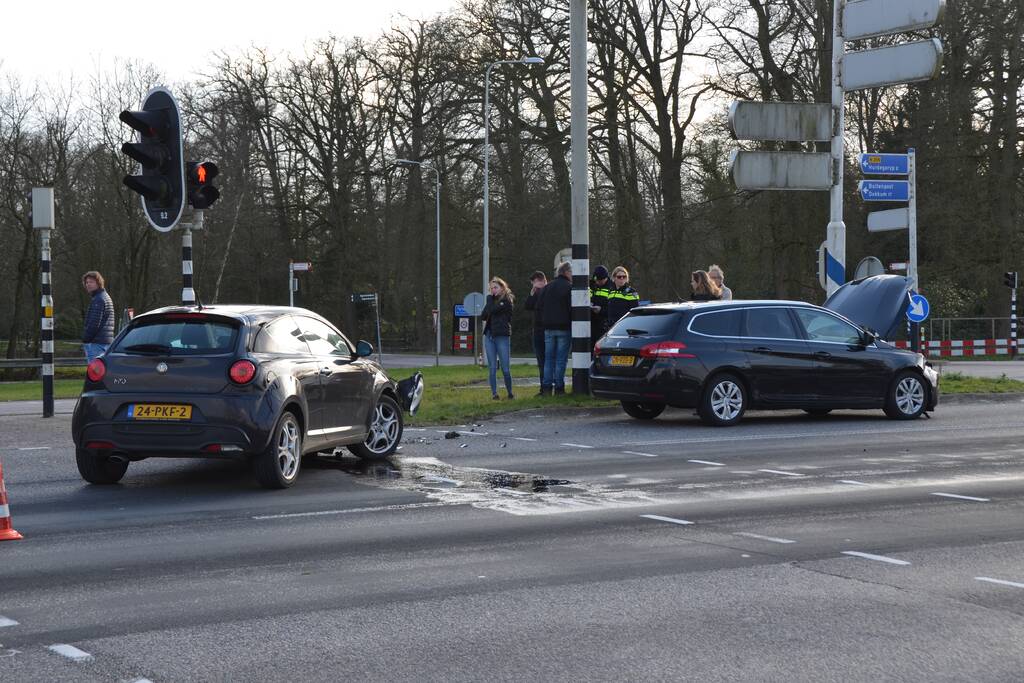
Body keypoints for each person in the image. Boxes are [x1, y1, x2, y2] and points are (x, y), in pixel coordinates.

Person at [535, 261, 573, 396]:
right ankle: (559, 388)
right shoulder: (569, 287)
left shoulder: (547, 287)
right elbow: (572, 308)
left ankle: (546, 388)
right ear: (567, 272)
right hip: (564, 327)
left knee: (548, 359)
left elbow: (538, 307)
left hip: (548, 328)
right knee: (561, 360)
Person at [481, 277, 515, 400]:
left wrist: (489, 300)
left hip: (502, 336)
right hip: (489, 336)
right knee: (492, 368)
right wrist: (489, 301)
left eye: (495, 287)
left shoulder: (506, 300)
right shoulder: (491, 300)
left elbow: (493, 310)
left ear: (502, 287)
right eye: (491, 288)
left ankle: (510, 392)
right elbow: (483, 316)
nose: (493, 290)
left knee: (505, 368)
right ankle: (494, 394)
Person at [82, 270, 115, 362]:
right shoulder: (105, 296)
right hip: (105, 342)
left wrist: (86, 339)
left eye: (91, 282)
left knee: (95, 370)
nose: (88, 284)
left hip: (96, 343)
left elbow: (94, 323)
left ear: (99, 283)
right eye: (87, 282)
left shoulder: (98, 299)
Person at [523, 270, 548, 387]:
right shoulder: (536, 293)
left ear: (540, 281)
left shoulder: (549, 291)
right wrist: (532, 293)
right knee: (541, 360)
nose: (533, 286)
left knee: (548, 360)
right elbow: (528, 306)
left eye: (534, 283)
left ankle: (549, 386)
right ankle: (543, 387)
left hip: (547, 330)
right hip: (537, 330)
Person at [589, 265, 611, 353]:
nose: (598, 282)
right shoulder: (591, 285)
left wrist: (601, 310)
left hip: (603, 325)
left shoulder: (611, 288)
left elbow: (612, 308)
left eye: (600, 280)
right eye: (597, 280)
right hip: (591, 323)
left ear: (606, 278)